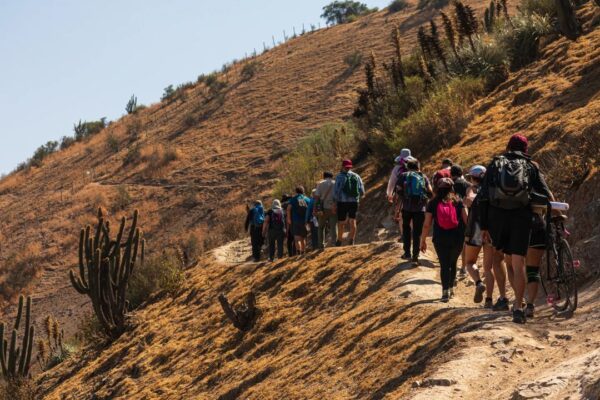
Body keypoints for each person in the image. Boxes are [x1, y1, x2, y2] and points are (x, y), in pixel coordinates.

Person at [479, 133, 552, 324]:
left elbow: (483, 197)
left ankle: (503, 297)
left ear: (508, 146)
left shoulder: (496, 163)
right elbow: (544, 194)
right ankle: (518, 308)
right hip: (521, 217)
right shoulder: (529, 166)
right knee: (519, 264)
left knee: (499, 258)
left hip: (497, 219)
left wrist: (484, 225)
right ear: (525, 149)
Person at [420, 178, 468, 302]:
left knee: (444, 265)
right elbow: (466, 219)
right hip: (457, 238)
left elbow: (426, 224)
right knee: (453, 264)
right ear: (452, 188)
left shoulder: (433, 203)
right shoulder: (458, 201)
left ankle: (445, 292)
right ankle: (451, 289)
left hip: (440, 238)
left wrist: (423, 240)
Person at [396, 157, 433, 262]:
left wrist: (403, 200)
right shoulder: (423, 177)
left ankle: (407, 253)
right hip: (420, 209)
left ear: (408, 167)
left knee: (406, 230)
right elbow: (430, 192)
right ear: (418, 167)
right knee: (417, 232)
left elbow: (398, 191)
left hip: (406, 208)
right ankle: (415, 256)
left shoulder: (403, 176)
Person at [333, 159, 365, 246]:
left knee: (341, 222)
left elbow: (336, 191)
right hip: (354, 202)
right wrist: (358, 198)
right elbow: (362, 191)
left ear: (342, 166)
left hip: (342, 202)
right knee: (352, 220)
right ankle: (351, 240)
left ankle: (339, 240)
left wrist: (335, 203)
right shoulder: (356, 176)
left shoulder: (339, 177)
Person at [451, 164, 471, 276]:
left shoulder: (449, 185)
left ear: (451, 174)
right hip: (465, 217)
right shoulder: (468, 185)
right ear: (461, 173)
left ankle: (452, 267)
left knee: (453, 243)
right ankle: (463, 268)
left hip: (450, 217)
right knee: (464, 243)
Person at [386, 149, 412, 236]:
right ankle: (413, 233)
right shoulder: (414, 166)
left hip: (401, 194)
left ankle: (404, 235)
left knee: (401, 215)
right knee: (413, 213)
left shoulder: (397, 168)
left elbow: (392, 182)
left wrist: (389, 194)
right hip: (414, 194)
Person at [314, 172, 337, 248]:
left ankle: (321, 244)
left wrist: (315, 209)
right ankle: (334, 243)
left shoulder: (320, 183)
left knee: (321, 227)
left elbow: (317, 197)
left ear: (324, 176)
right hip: (333, 207)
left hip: (323, 208)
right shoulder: (335, 183)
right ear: (331, 176)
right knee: (333, 226)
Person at [287, 186, 310, 255]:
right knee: (303, 238)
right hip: (305, 221)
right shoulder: (307, 199)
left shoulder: (293, 199)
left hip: (296, 221)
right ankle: (303, 252)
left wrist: (289, 219)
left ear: (296, 192)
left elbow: (288, 209)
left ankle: (298, 252)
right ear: (303, 191)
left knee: (297, 238)